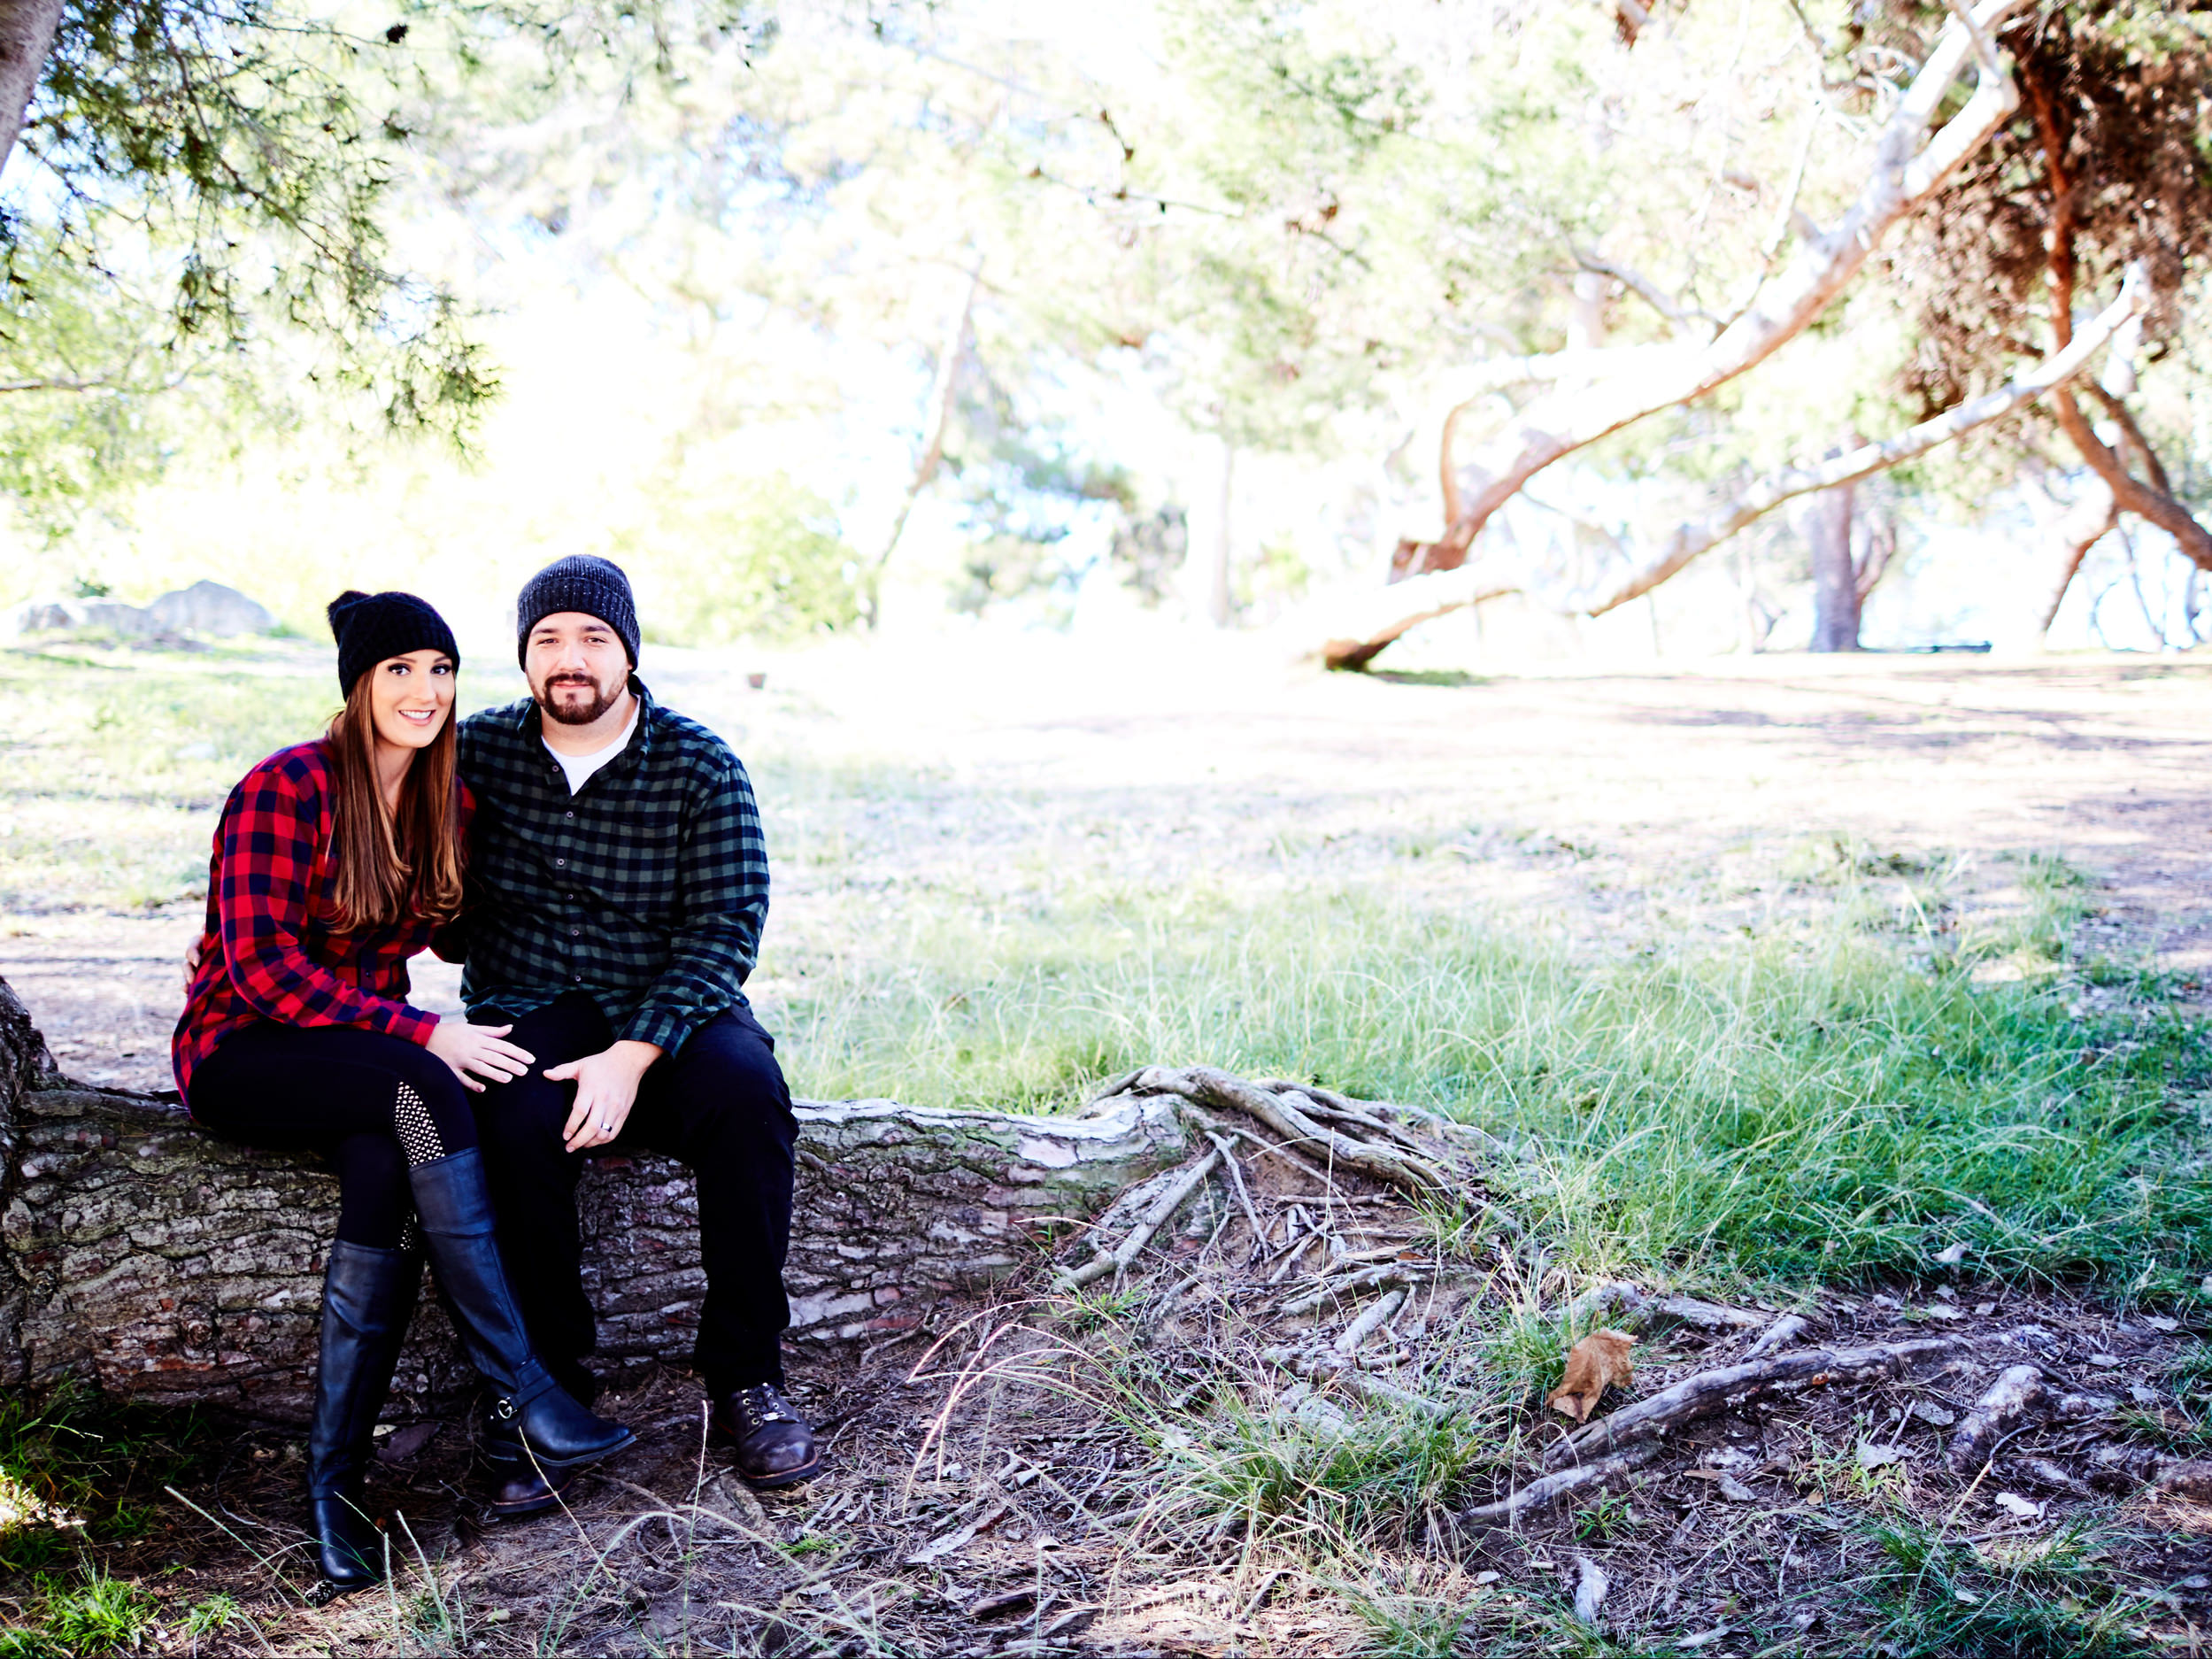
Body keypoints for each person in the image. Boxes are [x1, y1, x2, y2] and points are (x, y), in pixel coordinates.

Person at [173, 590, 635, 1597]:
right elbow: (262, 970)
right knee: (431, 1080)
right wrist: (425, 1029)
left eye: (440, 669)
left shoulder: (446, 799)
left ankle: (333, 1488)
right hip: (244, 1049)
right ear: (358, 685)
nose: (425, 691)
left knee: (390, 1156)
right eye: (400, 670)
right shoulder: (284, 789)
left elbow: (458, 927)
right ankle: (524, 1388)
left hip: (365, 1070)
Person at [443, 554, 815, 1516]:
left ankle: (745, 1377)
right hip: (529, 1001)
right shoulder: (475, 754)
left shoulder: (698, 763)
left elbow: (727, 925)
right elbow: (424, 893)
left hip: (670, 1002)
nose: (570, 659)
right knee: (512, 1117)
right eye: (548, 640)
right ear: (525, 657)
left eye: (592, 637)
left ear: (628, 651)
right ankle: (547, 1388)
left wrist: (632, 1053)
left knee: (747, 1096)